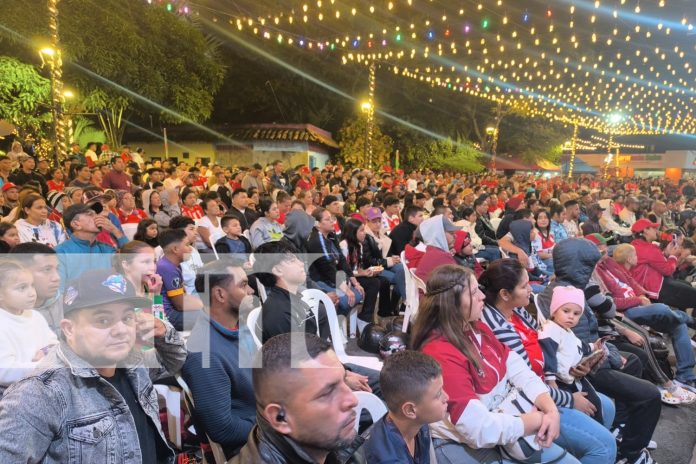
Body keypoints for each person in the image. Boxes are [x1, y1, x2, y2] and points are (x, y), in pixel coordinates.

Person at [0, 270, 186, 463]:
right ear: (69, 329)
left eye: (127, 318)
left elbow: (174, 360)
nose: (121, 330)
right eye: (103, 320)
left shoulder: (132, 363)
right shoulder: (40, 392)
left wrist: (163, 331)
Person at [411, 265, 572, 464]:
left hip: (509, 423)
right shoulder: (440, 353)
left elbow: (518, 368)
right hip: (472, 441)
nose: (482, 296)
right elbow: (477, 428)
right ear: (451, 302)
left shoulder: (476, 326)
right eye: (473, 292)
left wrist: (550, 409)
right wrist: (537, 420)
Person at [536, 238, 662, 464]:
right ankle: (630, 454)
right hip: (585, 370)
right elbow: (579, 350)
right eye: (588, 266)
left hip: (589, 361)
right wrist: (611, 356)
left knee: (635, 360)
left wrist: (611, 352)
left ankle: (622, 430)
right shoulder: (565, 295)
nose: (592, 270)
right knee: (650, 395)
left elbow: (587, 337)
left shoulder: (571, 289)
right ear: (580, 266)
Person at [479, 259, 617, 464]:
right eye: (524, 286)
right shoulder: (498, 327)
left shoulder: (517, 310)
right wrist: (570, 400)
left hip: (550, 384)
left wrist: (573, 366)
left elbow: (544, 349)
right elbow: (524, 382)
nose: (530, 289)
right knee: (604, 447)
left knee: (607, 406)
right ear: (505, 294)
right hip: (532, 399)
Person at [231, 332, 365, 464]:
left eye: (344, 380)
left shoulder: (329, 442)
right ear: (281, 418)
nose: (353, 400)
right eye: (327, 393)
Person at [595, 243, 696, 394]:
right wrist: (638, 300)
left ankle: (685, 377)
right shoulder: (595, 273)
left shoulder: (610, 264)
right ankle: (689, 319)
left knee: (678, 325)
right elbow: (612, 304)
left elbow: (631, 282)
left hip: (638, 307)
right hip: (625, 313)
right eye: (599, 248)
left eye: (604, 248)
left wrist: (641, 294)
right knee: (662, 308)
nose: (604, 250)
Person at [182, 259, 257, 459]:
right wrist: (273, 427)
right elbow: (224, 430)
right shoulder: (205, 354)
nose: (251, 291)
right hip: (252, 444)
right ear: (220, 294)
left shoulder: (239, 326)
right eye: (243, 285)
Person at [363, 351, 448, 463]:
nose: (446, 397)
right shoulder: (389, 460)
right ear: (410, 410)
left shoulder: (418, 423)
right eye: (438, 394)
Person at [538, 287, 604, 423]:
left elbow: (579, 346)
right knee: (591, 407)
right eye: (566, 311)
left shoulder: (567, 331)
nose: (571, 316)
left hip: (572, 378)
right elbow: (547, 354)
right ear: (554, 311)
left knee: (595, 403)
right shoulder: (550, 329)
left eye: (576, 313)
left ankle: (603, 432)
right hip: (557, 382)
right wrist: (551, 381)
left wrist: (593, 347)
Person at [0, 259, 58, 394]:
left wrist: (46, 351)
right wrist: (44, 365)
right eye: (22, 287)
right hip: (11, 395)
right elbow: (4, 371)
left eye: (32, 285)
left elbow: (54, 344)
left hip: (42, 384)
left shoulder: (35, 316)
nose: (32, 293)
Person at [307, 207, 364, 318]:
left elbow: (342, 259)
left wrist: (355, 282)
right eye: (328, 219)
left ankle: (338, 324)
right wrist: (346, 289)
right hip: (319, 282)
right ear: (317, 224)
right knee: (348, 298)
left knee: (359, 291)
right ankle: (334, 326)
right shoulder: (317, 240)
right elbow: (328, 269)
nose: (333, 222)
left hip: (332, 279)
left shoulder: (331, 236)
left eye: (332, 218)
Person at [629, 218, 696, 311]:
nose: (656, 231)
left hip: (655, 284)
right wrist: (673, 256)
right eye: (653, 228)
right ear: (645, 231)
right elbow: (668, 270)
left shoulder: (637, 244)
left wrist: (667, 254)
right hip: (655, 289)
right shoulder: (648, 249)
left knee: (688, 289)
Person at [55, 202, 128, 287]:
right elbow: (58, 293)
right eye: (90, 214)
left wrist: (115, 231)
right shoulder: (61, 252)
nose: (98, 217)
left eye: (96, 214)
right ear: (76, 224)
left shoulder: (106, 249)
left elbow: (133, 262)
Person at [8, 243, 63, 333]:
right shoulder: (8, 317)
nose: (57, 277)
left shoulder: (64, 303)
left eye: (57, 269)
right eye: (47, 269)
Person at [156, 228, 204, 330]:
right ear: (175, 249)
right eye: (187, 245)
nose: (190, 249)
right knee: (211, 317)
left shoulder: (173, 264)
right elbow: (180, 305)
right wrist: (205, 307)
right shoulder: (167, 267)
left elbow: (184, 294)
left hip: (175, 309)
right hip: (168, 315)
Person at [340, 218, 386, 323]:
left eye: (364, 230)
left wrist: (367, 272)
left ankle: (366, 316)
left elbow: (356, 268)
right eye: (361, 230)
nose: (364, 233)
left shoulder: (359, 245)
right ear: (353, 232)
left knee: (379, 281)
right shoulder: (344, 245)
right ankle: (365, 317)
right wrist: (361, 273)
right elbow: (343, 270)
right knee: (374, 283)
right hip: (343, 280)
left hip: (354, 277)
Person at [404, 214, 459, 284]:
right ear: (439, 235)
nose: (455, 236)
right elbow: (460, 280)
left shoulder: (432, 250)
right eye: (451, 233)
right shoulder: (441, 256)